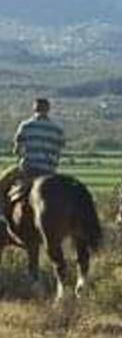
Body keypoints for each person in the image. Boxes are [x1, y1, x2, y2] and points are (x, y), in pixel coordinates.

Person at [0, 98, 65, 241]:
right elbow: (59, 150)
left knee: (2, 183)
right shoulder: (57, 129)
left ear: (34, 109)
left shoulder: (26, 126)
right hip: (49, 172)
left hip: (29, 168)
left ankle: (2, 217)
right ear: (48, 110)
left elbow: (17, 150)